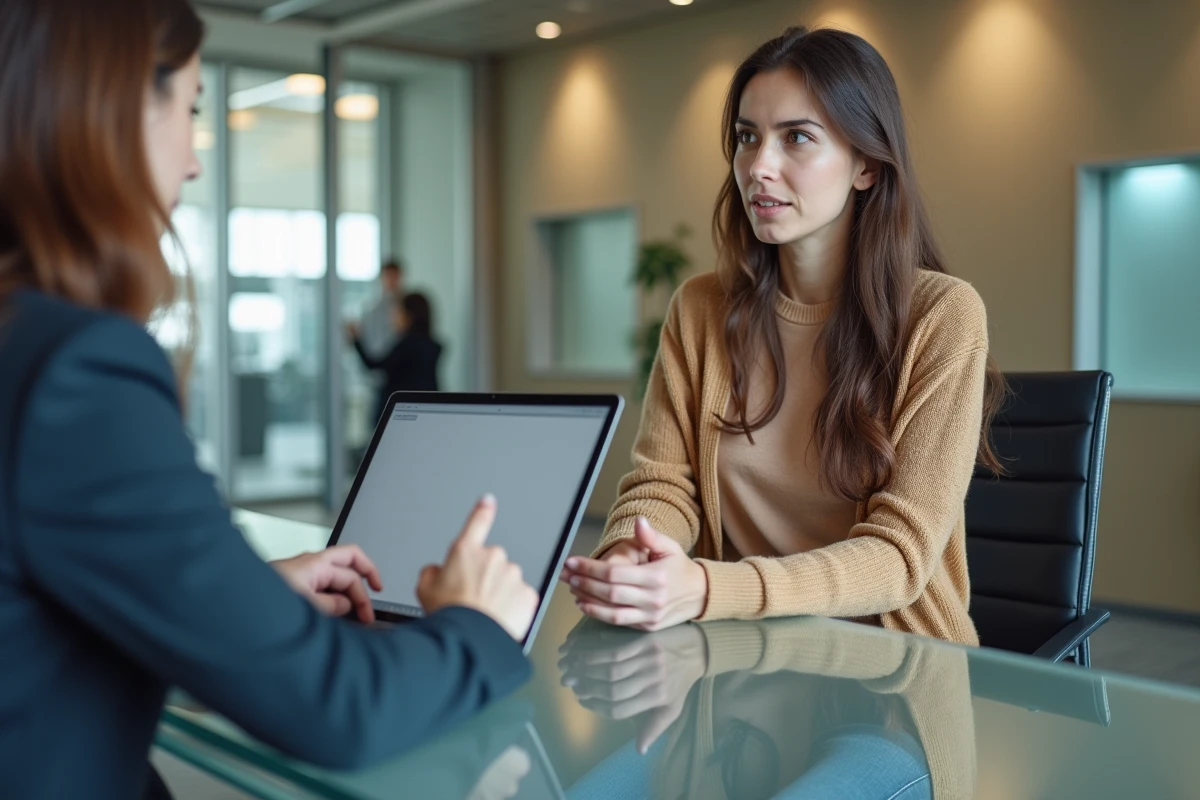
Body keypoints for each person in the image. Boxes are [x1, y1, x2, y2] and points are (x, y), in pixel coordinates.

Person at [0, 2, 537, 798]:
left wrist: (239, 602)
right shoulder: (80, 367)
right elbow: (340, 709)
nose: (192, 163)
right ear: (110, 115)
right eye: (188, 111)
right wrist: (476, 625)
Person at [561, 27, 1005, 646]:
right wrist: (632, 555)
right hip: (732, 653)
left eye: (796, 137)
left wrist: (711, 589)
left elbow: (900, 558)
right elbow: (664, 484)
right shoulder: (699, 308)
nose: (759, 167)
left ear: (867, 165)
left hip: (887, 672)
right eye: (747, 137)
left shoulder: (942, 316)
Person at [348, 291, 442, 417]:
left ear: (408, 316)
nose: (392, 317)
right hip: (426, 411)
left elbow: (375, 365)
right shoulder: (430, 345)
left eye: (397, 312)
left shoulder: (408, 344)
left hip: (402, 414)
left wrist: (357, 340)